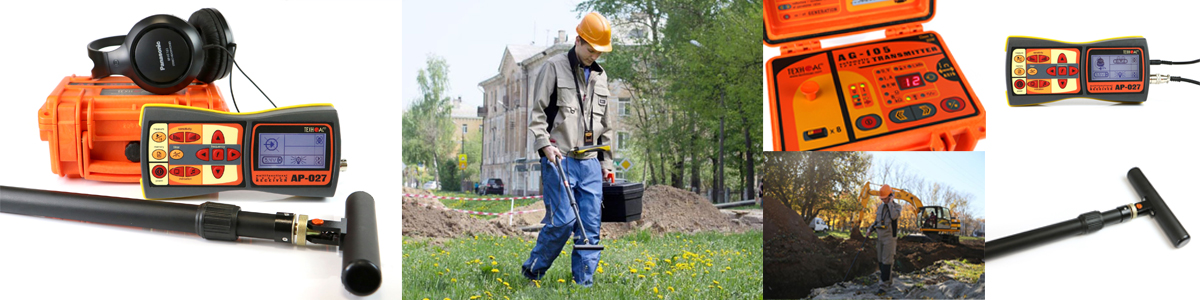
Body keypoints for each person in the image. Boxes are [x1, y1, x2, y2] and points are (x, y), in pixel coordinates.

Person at [520, 12, 615, 287]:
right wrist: (544, 145)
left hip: (590, 164)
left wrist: (606, 163)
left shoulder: (601, 77)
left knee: (590, 227)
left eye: (599, 51)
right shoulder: (552, 68)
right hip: (559, 158)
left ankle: (583, 285)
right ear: (578, 40)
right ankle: (533, 271)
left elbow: (606, 125)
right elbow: (537, 115)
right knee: (561, 222)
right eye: (590, 48)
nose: (593, 55)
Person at [870, 184, 902, 295]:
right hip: (880, 237)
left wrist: (890, 203)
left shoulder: (897, 207)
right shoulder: (880, 207)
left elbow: (893, 216)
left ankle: (883, 287)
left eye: (885, 198)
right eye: (882, 199)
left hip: (889, 238)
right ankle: (888, 281)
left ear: (890, 196)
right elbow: (877, 221)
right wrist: (870, 229)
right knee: (880, 260)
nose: (883, 200)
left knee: (886, 262)